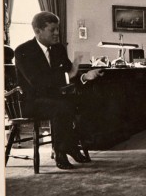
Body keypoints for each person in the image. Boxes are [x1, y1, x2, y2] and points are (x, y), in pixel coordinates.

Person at [14, 11, 104, 170]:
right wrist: (70, 75)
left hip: (57, 98)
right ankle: (62, 150)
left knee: (88, 100)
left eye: (57, 29)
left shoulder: (58, 49)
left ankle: (70, 144)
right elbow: (37, 82)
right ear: (38, 31)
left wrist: (85, 77)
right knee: (62, 106)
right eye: (52, 30)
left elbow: (72, 73)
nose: (57, 33)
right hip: (32, 101)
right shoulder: (23, 50)